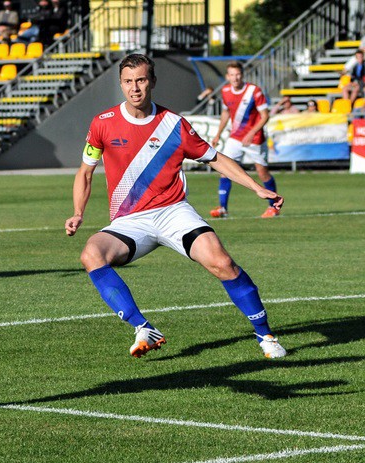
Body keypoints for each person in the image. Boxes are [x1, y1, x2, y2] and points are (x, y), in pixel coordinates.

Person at [65, 53, 286, 361]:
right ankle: (142, 327)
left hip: (173, 212)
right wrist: (78, 212)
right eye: (128, 82)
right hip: (129, 220)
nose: (135, 88)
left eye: (141, 80)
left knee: (222, 263)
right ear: (121, 84)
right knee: (91, 254)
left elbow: (216, 158)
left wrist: (257, 188)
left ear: (152, 81)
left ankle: (265, 334)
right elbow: (85, 172)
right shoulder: (102, 124)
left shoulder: (174, 124)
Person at [210, 62, 279, 219]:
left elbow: (265, 116)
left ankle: (274, 206)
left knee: (262, 173)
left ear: (242, 75)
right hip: (235, 137)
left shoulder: (254, 91)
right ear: (228, 76)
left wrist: (252, 132)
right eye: (232, 75)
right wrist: (218, 134)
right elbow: (226, 113)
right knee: (225, 170)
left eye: (238, 74)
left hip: (255, 139)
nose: (235, 78)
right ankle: (223, 208)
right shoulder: (226, 91)